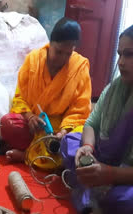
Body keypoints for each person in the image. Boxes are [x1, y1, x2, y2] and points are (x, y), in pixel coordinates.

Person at [1, 17, 92, 169]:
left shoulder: (80, 67)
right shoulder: (33, 60)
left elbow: (80, 109)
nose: (63, 58)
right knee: (7, 123)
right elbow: (19, 97)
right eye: (59, 52)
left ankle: (27, 155)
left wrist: (63, 131)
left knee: (77, 141)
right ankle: (46, 158)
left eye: (68, 54)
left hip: (61, 127)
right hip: (35, 126)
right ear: (50, 44)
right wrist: (30, 117)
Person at [61, 25, 133, 214]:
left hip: (126, 173)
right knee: (69, 142)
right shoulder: (116, 86)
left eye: (129, 54)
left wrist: (109, 174)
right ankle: (91, 184)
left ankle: (88, 187)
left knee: (127, 200)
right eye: (120, 54)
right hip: (101, 157)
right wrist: (88, 148)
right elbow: (92, 122)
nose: (121, 62)